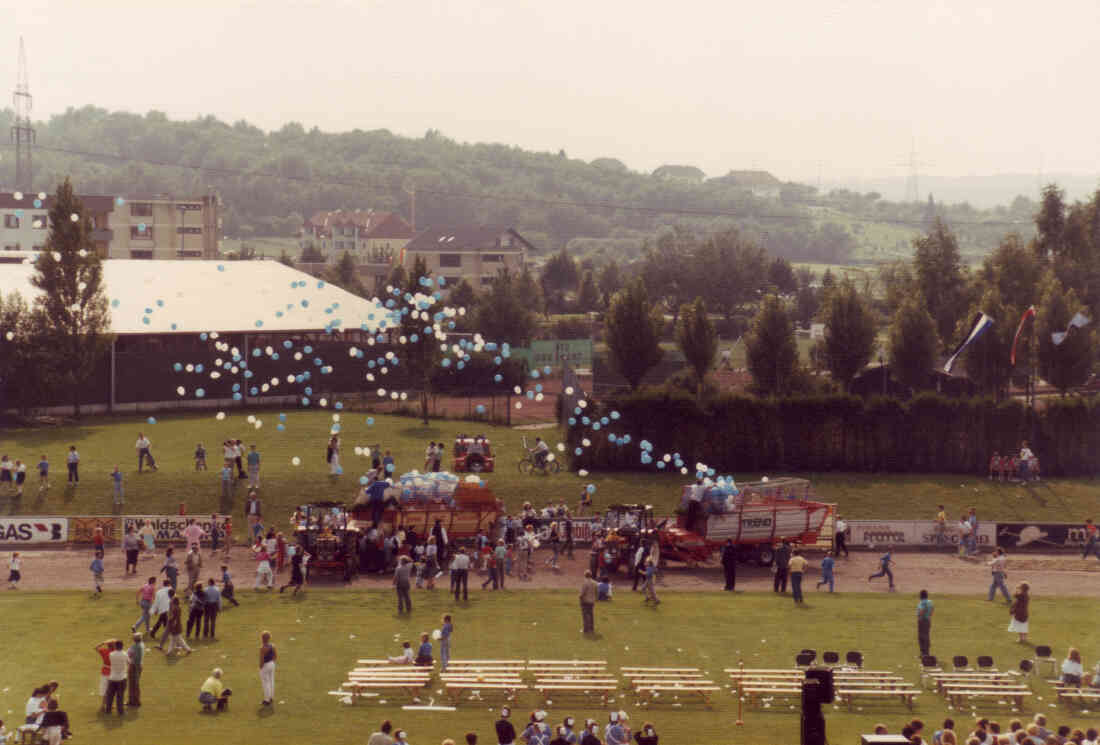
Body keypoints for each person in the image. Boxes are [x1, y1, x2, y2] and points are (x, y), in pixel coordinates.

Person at [104, 639, 128, 716]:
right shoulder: (125, 654)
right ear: (122, 646)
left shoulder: (111, 654)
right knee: (120, 696)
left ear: (115, 646)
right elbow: (129, 662)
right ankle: (120, 711)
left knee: (110, 695)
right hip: (122, 677)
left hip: (112, 677)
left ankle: (108, 709)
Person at [126, 632, 144, 708]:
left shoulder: (137, 646)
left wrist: (129, 662)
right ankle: (131, 700)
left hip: (135, 666)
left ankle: (136, 701)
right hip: (136, 665)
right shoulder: (140, 645)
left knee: (134, 684)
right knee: (132, 684)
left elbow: (133, 657)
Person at [259, 631, 277, 706]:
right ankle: (271, 697)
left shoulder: (263, 648)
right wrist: (272, 662)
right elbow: (275, 656)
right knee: (271, 681)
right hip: (272, 664)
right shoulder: (273, 646)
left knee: (265, 683)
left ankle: (266, 700)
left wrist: (261, 667)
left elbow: (262, 659)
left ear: (262, 638)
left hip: (265, 665)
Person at [917, 589, 934, 657]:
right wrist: (929, 615)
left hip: (922, 620)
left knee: (921, 637)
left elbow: (922, 610)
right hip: (928, 620)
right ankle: (926, 652)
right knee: (926, 636)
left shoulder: (922, 603)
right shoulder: (930, 602)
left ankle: (923, 653)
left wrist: (920, 616)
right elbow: (932, 608)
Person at [580, 570, 597, 634]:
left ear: (585, 575)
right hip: (592, 601)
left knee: (585, 615)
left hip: (585, 601)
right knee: (591, 615)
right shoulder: (595, 583)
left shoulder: (584, 583)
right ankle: (591, 628)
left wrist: (580, 598)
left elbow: (582, 593)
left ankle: (585, 629)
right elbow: (596, 592)